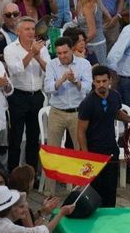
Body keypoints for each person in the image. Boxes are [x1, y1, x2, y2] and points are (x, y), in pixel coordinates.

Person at [77, 64, 130, 207]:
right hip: (94, 152)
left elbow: (116, 112)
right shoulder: (87, 103)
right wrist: (86, 155)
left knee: (111, 189)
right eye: (98, 82)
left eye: (104, 81)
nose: (101, 85)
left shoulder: (115, 96)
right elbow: (81, 130)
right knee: (95, 191)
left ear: (110, 80)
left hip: (110, 149)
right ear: (93, 82)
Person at [42, 37, 91, 192]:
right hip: (57, 112)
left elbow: (89, 87)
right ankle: (50, 192)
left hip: (78, 112)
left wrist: (75, 81)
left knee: (80, 152)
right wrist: (62, 80)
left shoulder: (84, 64)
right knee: (52, 153)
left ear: (72, 49)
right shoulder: (51, 65)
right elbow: (48, 88)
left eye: (65, 52)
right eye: (59, 53)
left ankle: (81, 189)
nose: (62, 56)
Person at [2, 17, 51, 172]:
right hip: (17, 95)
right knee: (15, 137)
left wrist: (37, 55)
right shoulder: (10, 49)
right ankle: (13, 172)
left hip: (36, 95)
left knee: (33, 137)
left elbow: (49, 70)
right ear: (18, 31)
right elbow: (16, 70)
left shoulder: (41, 48)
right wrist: (31, 53)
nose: (31, 32)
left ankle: (31, 174)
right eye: (27, 29)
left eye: (32, 29)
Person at [0, 185, 74, 232]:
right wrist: (61, 213)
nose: (25, 210)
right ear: (10, 208)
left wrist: (43, 211)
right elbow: (42, 231)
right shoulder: (7, 228)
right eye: (21, 206)